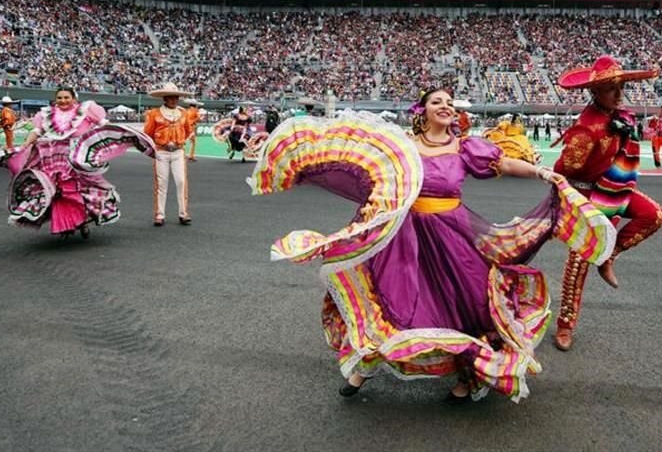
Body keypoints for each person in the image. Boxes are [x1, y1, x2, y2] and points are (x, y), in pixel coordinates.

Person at [250, 87, 615, 403]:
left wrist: (541, 171)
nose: (446, 107)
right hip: (405, 238)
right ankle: (365, 365)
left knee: (469, 301)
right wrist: (302, 169)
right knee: (394, 302)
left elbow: (503, 162)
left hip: (453, 235)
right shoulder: (402, 148)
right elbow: (358, 172)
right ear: (422, 110)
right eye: (438, 102)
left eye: (451, 103)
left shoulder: (465, 148)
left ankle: (467, 374)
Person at [550, 55, 662, 352]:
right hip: (586, 196)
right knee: (578, 263)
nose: (619, 94)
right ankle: (565, 326)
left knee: (654, 215)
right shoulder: (586, 129)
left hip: (613, 190)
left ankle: (609, 255)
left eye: (621, 86)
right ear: (595, 92)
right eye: (611, 88)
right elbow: (564, 170)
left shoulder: (622, 117)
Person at [0, 86, 154, 239]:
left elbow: (103, 124)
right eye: (60, 97)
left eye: (67, 97)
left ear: (74, 98)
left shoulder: (87, 109)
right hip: (54, 157)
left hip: (78, 157)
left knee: (81, 189)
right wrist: (26, 144)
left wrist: (106, 138)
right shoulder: (46, 114)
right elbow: (38, 131)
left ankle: (82, 222)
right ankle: (65, 224)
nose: (63, 100)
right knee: (58, 190)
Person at [145, 82, 195, 226]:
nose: (174, 100)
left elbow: (187, 130)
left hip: (178, 151)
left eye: (176, 97)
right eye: (171, 97)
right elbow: (148, 133)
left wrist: (180, 141)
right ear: (165, 98)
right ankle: (160, 214)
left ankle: (183, 213)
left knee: (181, 181)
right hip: (161, 152)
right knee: (161, 183)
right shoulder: (154, 114)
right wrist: (155, 146)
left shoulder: (183, 113)